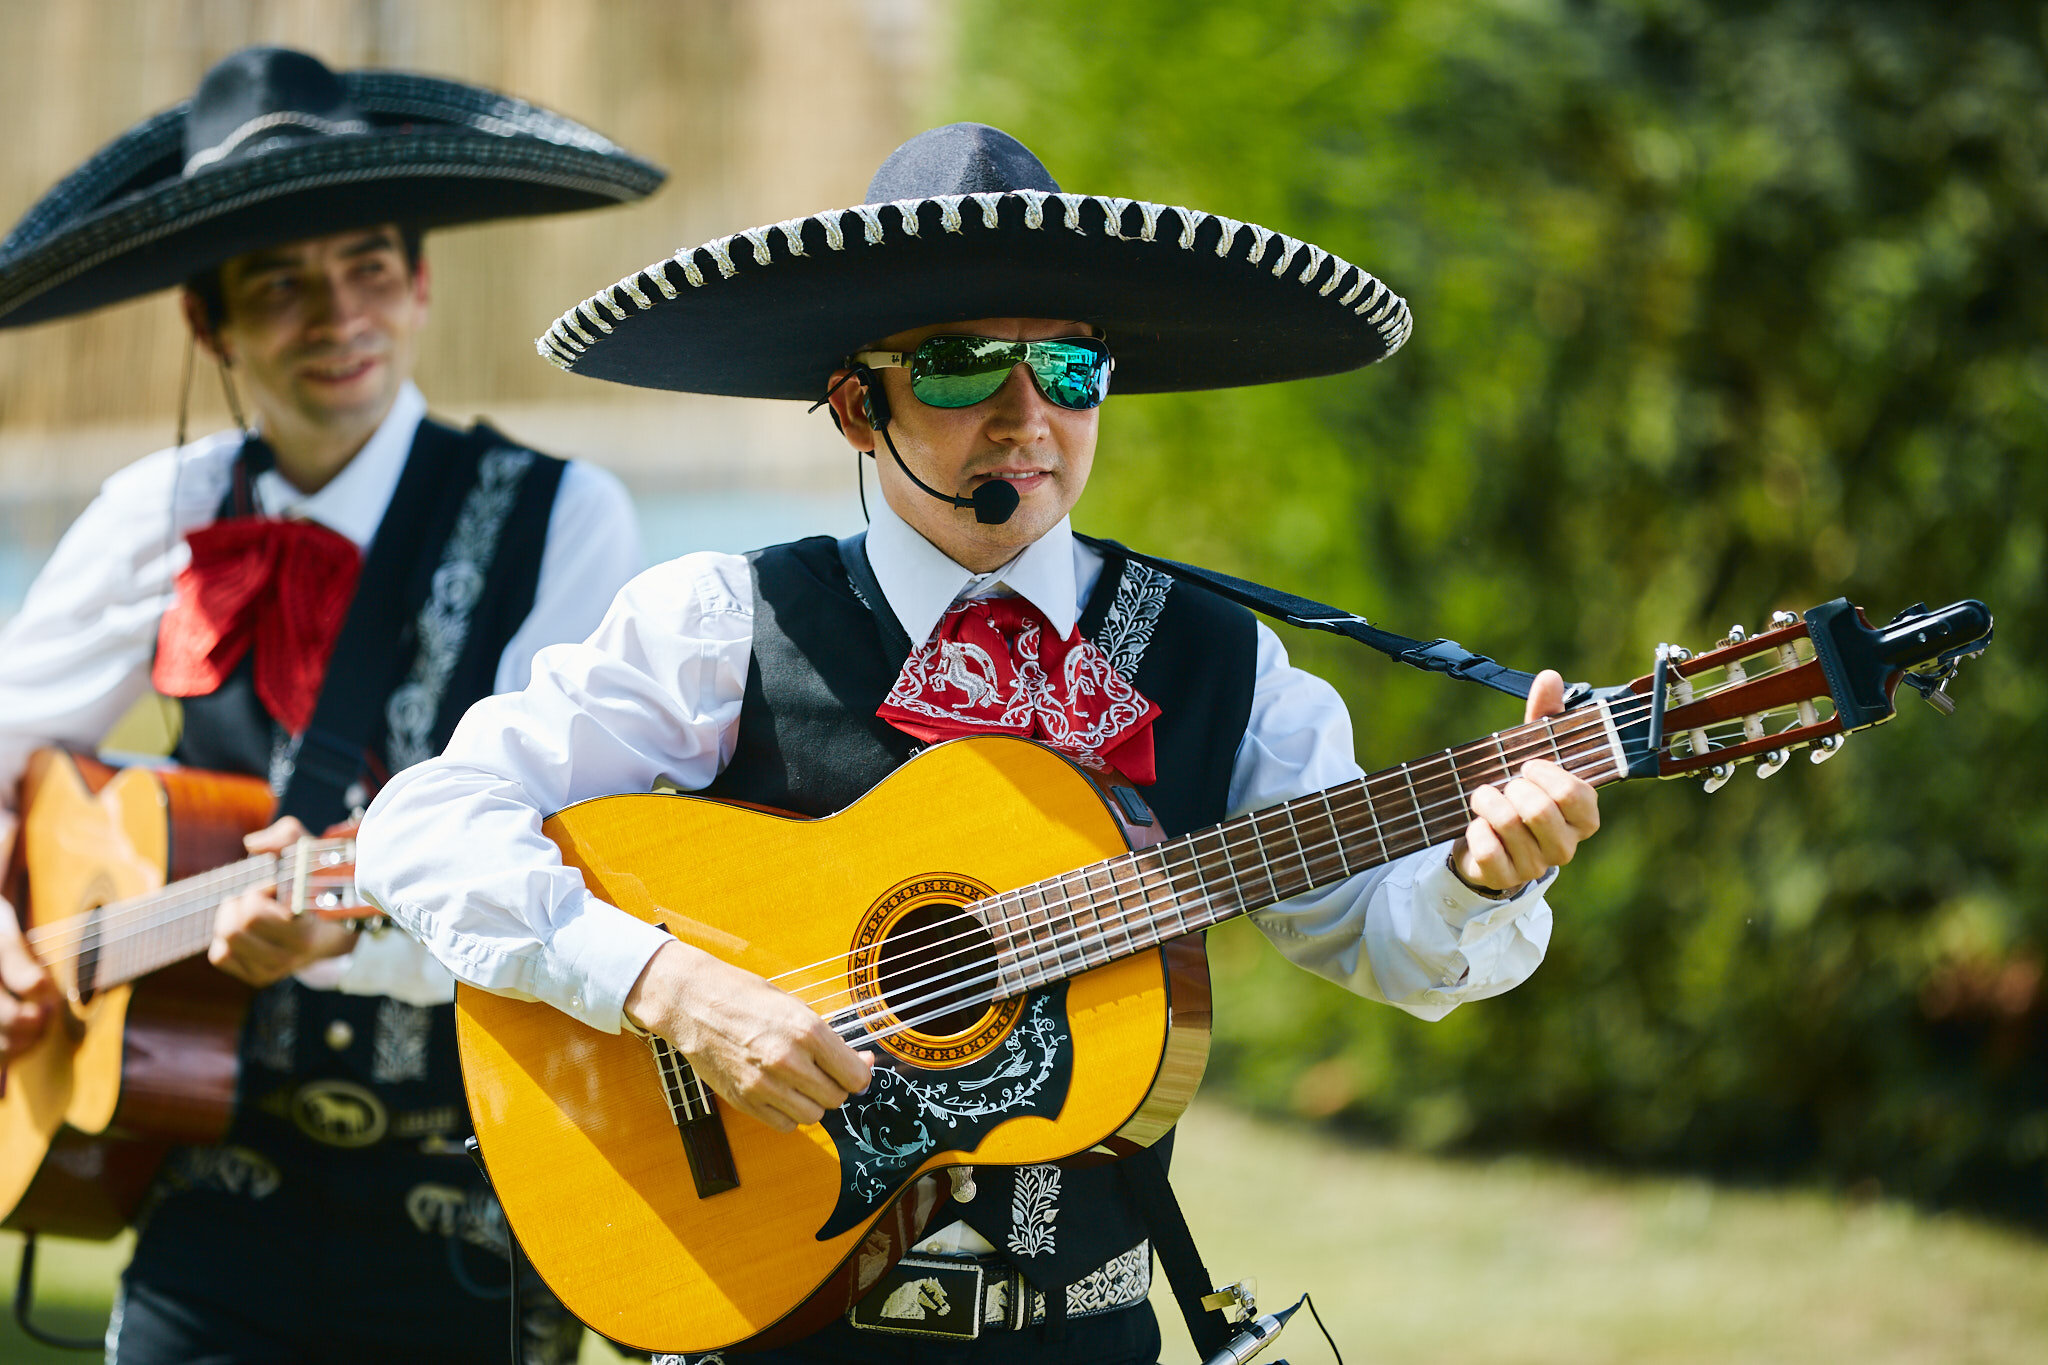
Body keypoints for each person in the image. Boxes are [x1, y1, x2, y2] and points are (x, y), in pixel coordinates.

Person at [357, 122, 1602, 1364]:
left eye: (1066, 369)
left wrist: (1477, 876)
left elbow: (1378, 938)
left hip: (1086, 1336)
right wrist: (668, 988)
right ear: (858, 407)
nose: (1024, 419)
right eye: (958, 366)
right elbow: (424, 829)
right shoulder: (724, 624)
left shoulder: (1218, 658)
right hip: (787, 1334)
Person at [0, 47, 664, 1364]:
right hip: (203, 1182)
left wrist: (358, 938)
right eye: (280, 283)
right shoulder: (165, 509)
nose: (336, 314)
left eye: (368, 266)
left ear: (420, 287)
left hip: (483, 1192)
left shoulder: (567, 518)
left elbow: (590, 850)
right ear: (210, 322)